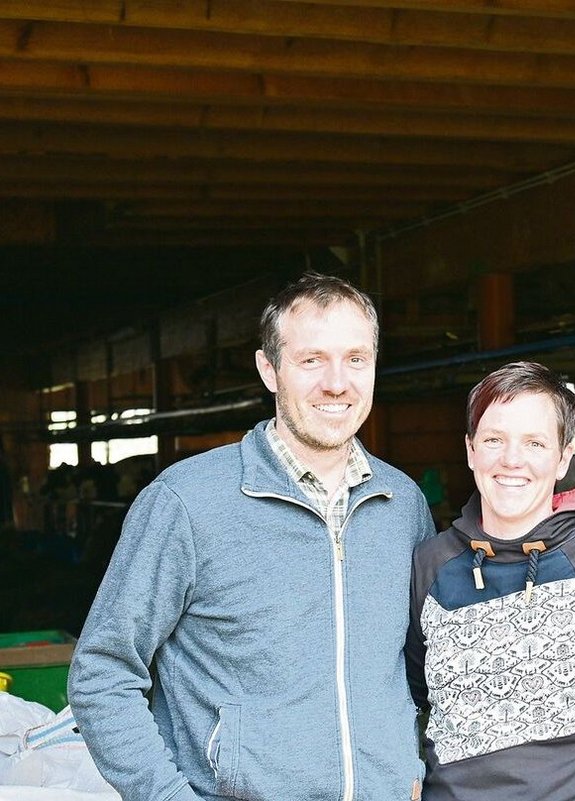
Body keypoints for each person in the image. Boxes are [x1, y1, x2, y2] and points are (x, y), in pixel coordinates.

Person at [68, 272, 435, 801]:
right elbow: (102, 673)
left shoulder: (402, 504)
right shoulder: (186, 503)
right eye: (311, 360)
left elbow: (420, 666)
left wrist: (410, 766)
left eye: (356, 358)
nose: (337, 382)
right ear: (269, 369)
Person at [406, 361, 575, 801]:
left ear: (564, 456)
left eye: (534, 442)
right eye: (494, 440)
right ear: (471, 449)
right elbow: (417, 693)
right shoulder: (429, 565)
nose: (512, 460)